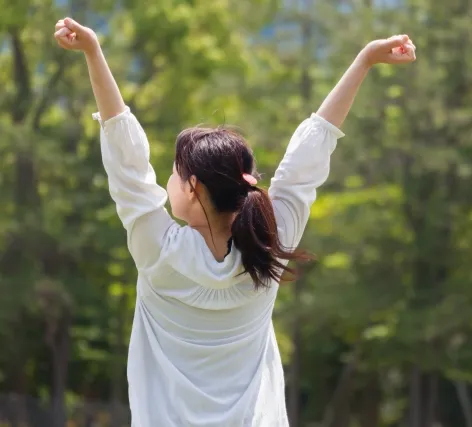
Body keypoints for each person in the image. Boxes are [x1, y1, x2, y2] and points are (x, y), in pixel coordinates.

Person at [53, 16, 416, 427]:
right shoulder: (269, 243)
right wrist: (365, 60)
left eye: (173, 173)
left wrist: (94, 52)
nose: (165, 180)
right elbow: (311, 152)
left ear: (191, 187)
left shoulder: (158, 251)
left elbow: (125, 157)